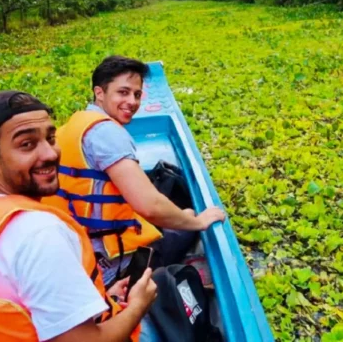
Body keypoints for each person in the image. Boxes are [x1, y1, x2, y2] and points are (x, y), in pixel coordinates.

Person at [0, 91, 157, 342]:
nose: (50, 153)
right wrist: (138, 306)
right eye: (27, 144)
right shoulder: (40, 233)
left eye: (50, 137)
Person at [42, 56, 226, 285]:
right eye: (123, 92)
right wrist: (196, 222)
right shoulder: (107, 133)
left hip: (76, 251)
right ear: (99, 93)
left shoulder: (74, 124)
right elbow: (149, 206)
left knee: (173, 211)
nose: (132, 101)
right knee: (185, 226)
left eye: (137, 94)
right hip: (108, 267)